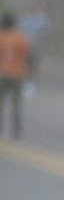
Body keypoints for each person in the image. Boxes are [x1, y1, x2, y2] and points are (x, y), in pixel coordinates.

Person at [0, 11, 32, 139]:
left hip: (2, 73)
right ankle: (16, 130)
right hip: (17, 73)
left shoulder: (1, 37)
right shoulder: (21, 37)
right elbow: (28, 54)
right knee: (16, 103)